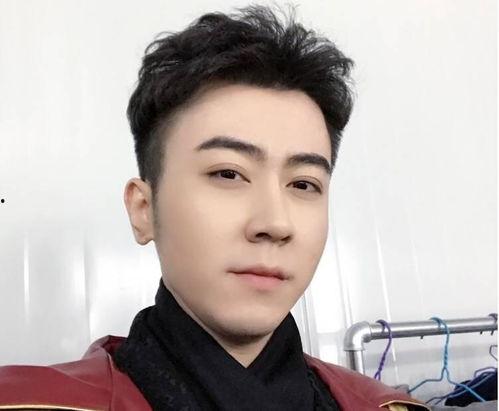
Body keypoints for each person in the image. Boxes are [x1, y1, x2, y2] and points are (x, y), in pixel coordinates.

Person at [0, 4, 428, 410]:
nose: (275, 223)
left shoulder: (383, 405)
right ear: (143, 209)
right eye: (228, 174)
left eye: (303, 183)